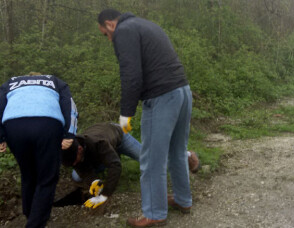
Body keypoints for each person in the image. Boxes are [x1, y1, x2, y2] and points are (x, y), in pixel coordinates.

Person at [98, 9, 194, 227]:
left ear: (109, 24)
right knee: (178, 150)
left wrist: (126, 113)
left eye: (105, 34)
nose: (108, 38)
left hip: (161, 97)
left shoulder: (123, 31)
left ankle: (155, 213)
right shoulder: (147, 25)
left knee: (151, 160)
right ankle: (183, 200)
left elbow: (131, 74)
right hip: (183, 91)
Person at [60, 122, 200, 209]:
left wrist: (105, 195)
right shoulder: (71, 150)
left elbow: (116, 166)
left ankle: (186, 155)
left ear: (80, 150)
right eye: (71, 163)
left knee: (149, 160)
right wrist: (94, 181)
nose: (74, 164)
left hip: (119, 136)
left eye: (75, 160)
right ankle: (110, 159)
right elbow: (82, 169)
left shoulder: (98, 143)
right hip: (105, 147)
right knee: (77, 176)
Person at [0, 72, 78, 228]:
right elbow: (69, 105)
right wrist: (69, 133)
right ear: (41, 76)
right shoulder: (55, 81)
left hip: (14, 126)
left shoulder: (11, 83)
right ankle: (34, 224)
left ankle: (30, 214)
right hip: (47, 123)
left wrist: (1, 137)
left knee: (28, 174)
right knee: (47, 178)